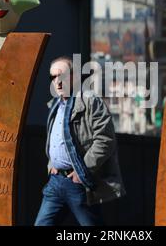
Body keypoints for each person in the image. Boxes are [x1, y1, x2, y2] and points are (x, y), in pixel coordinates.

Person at [34, 56, 126, 226]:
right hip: (56, 182)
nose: (57, 82)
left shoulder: (90, 101)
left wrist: (81, 171)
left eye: (61, 76)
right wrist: (51, 166)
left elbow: (105, 140)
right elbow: (54, 141)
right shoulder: (55, 105)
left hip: (78, 181)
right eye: (53, 77)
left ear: (74, 76)